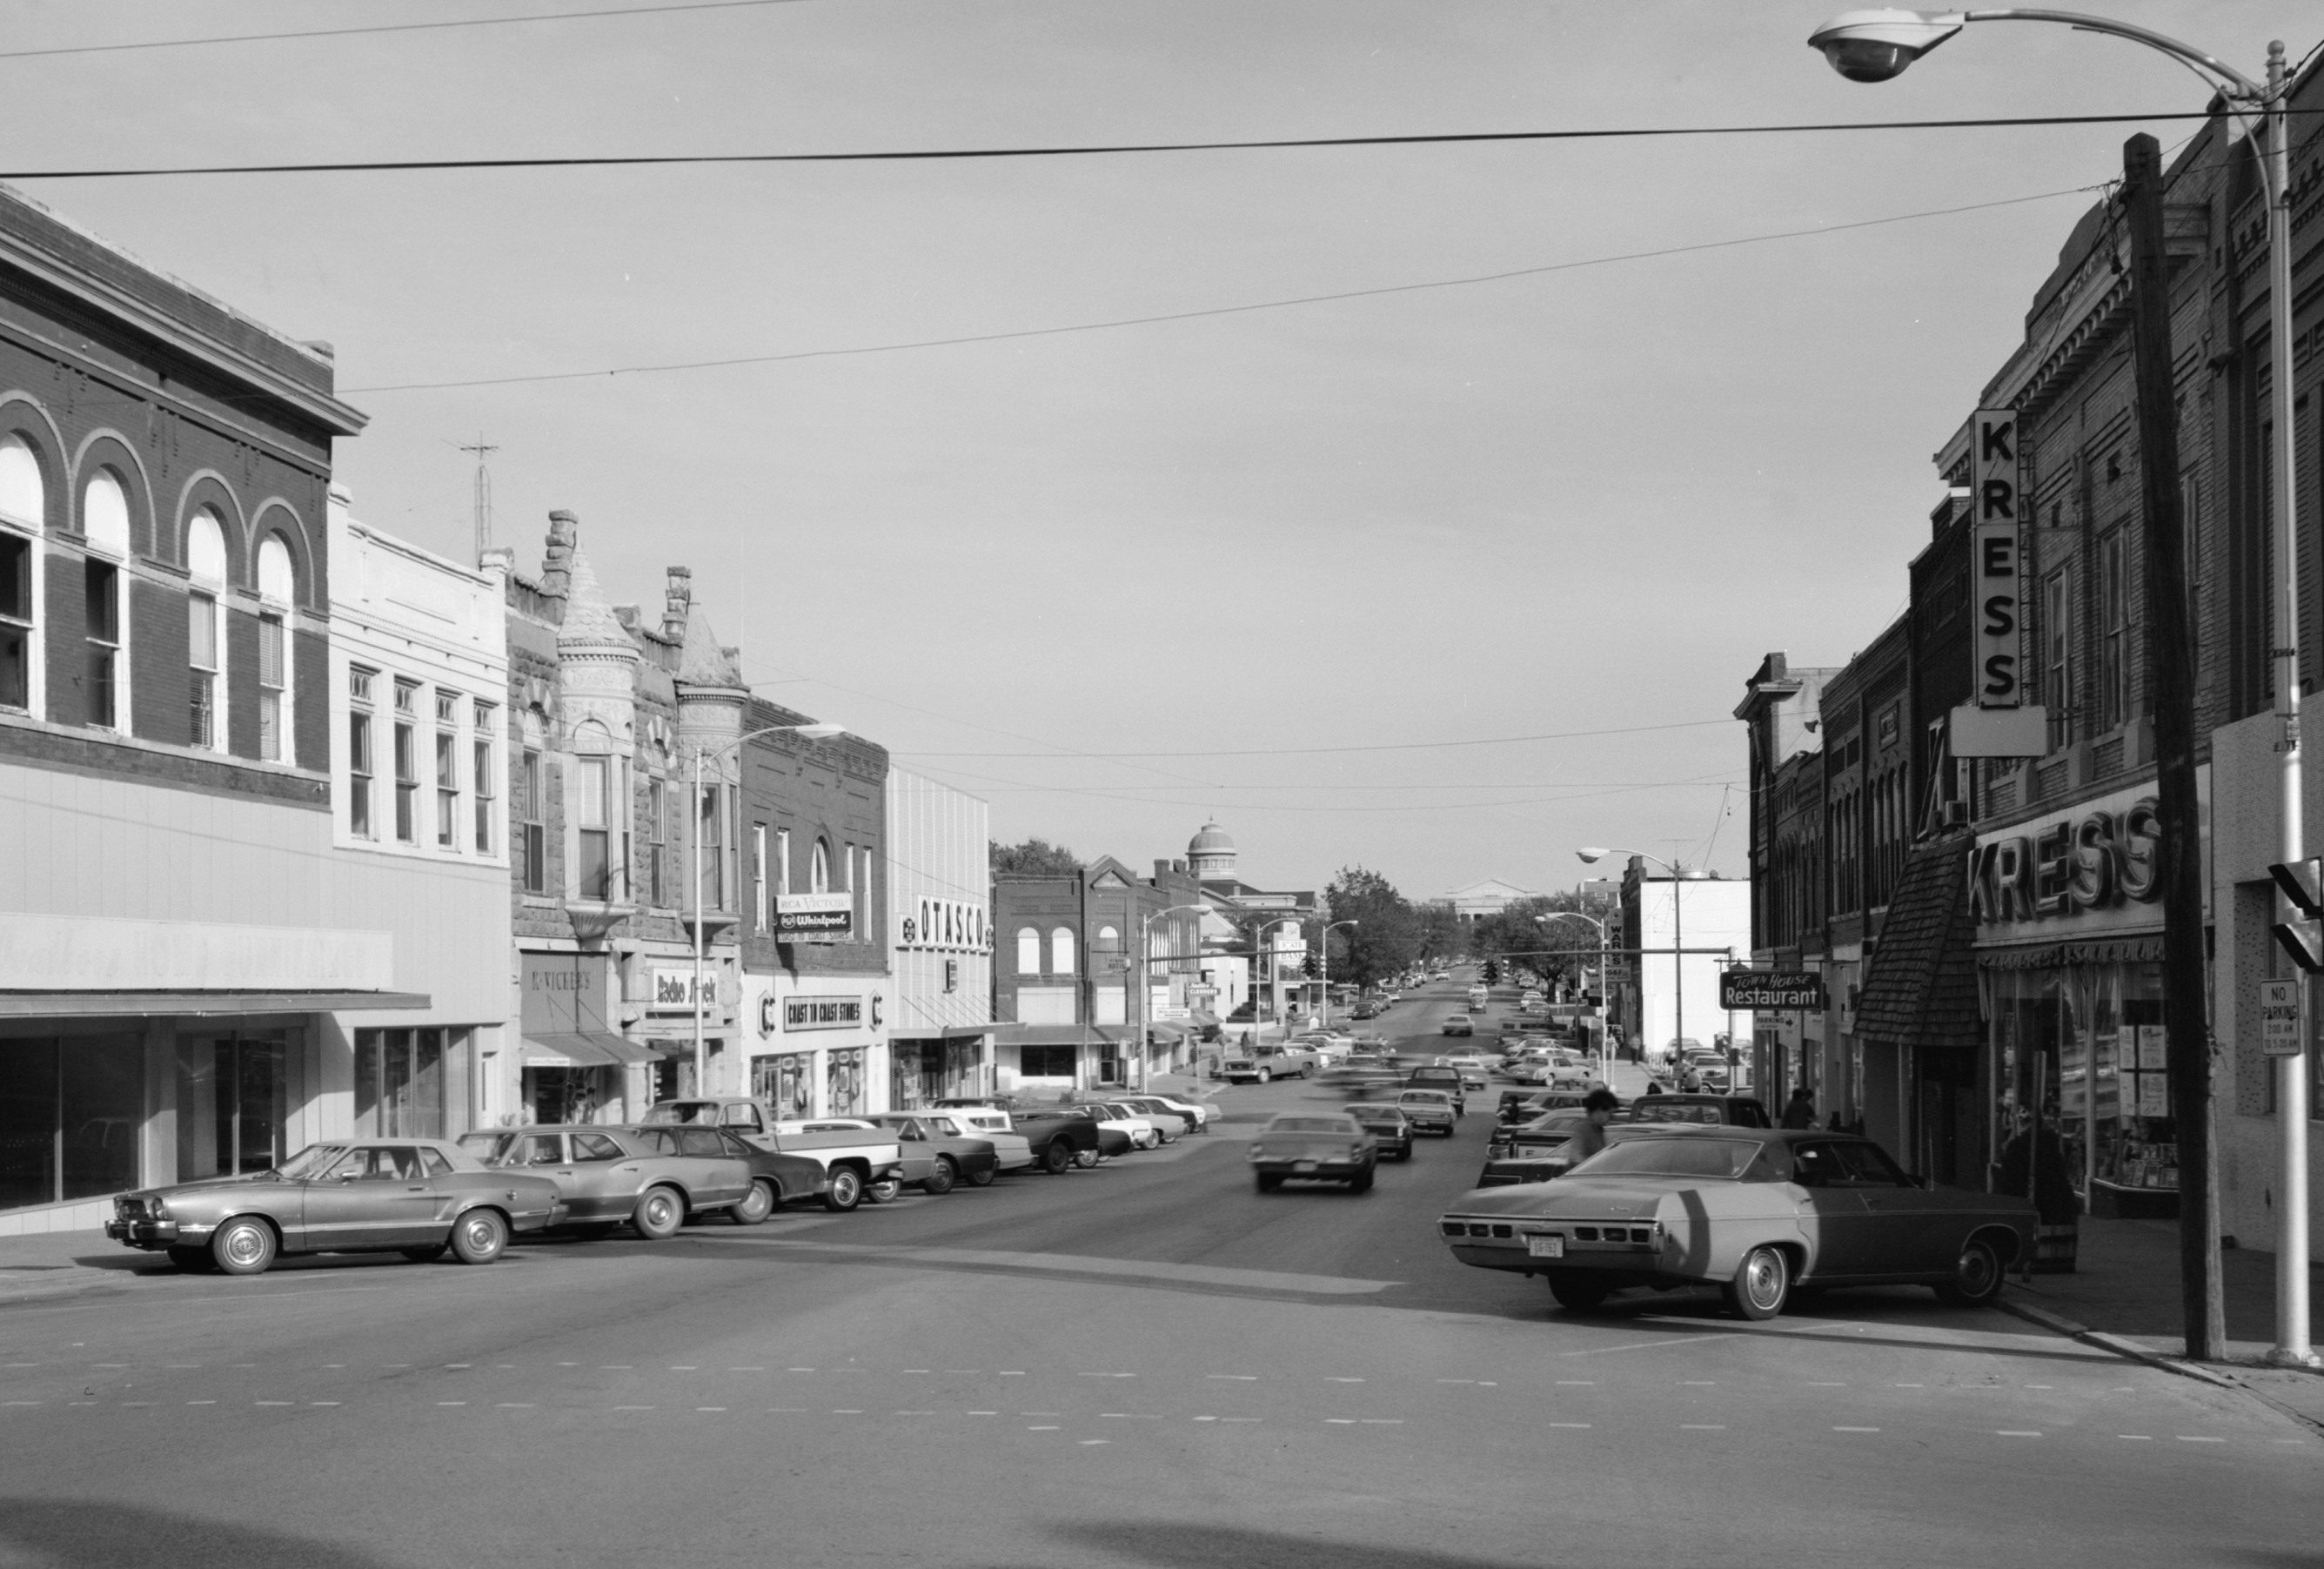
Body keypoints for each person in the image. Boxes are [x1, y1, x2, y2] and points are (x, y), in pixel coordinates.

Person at [1566, 1087, 1620, 1168]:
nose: (1611, 1117)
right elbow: (1576, 1159)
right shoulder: (1583, 1129)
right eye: (1610, 1113)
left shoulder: (1598, 1129)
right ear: (1599, 1111)